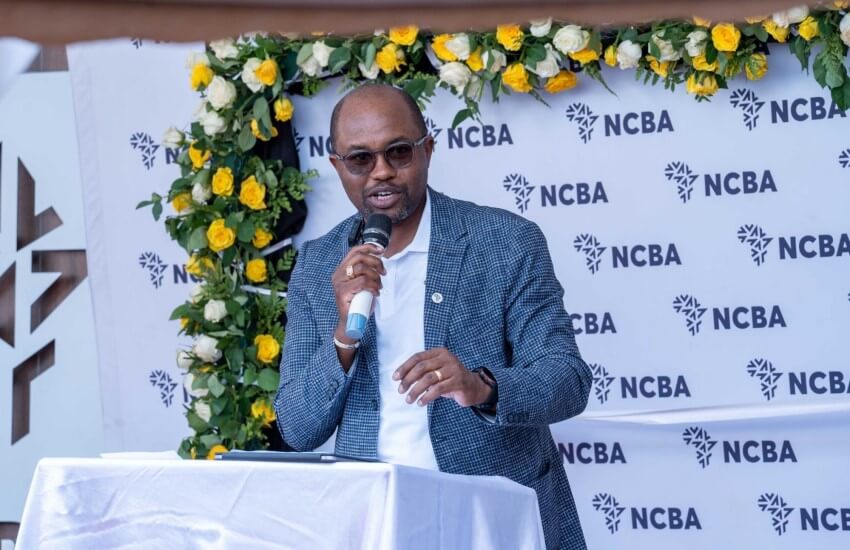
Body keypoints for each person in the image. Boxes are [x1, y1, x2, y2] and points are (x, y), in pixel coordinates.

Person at [275, 83, 592, 550]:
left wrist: (480, 386)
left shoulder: (506, 241)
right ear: (338, 166)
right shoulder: (319, 265)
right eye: (360, 159)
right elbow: (298, 428)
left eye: (399, 152)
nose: (382, 172)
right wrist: (343, 335)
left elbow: (568, 379)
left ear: (428, 149)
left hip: (490, 518)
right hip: (376, 524)